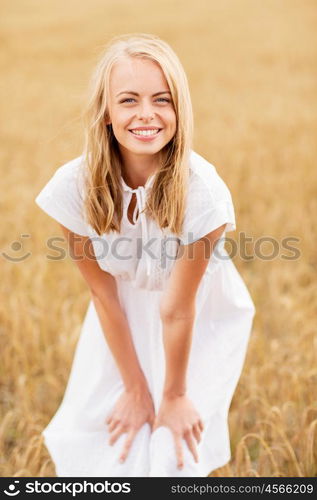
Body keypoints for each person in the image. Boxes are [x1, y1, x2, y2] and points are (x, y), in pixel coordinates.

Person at [35, 33, 256, 477]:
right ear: (106, 113)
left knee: (172, 453)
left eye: (162, 99)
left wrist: (172, 395)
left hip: (198, 318)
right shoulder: (72, 188)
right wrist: (135, 386)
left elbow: (177, 309)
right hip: (120, 316)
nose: (146, 114)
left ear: (179, 109)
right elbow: (103, 295)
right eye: (129, 100)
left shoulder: (204, 194)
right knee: (106, 442)